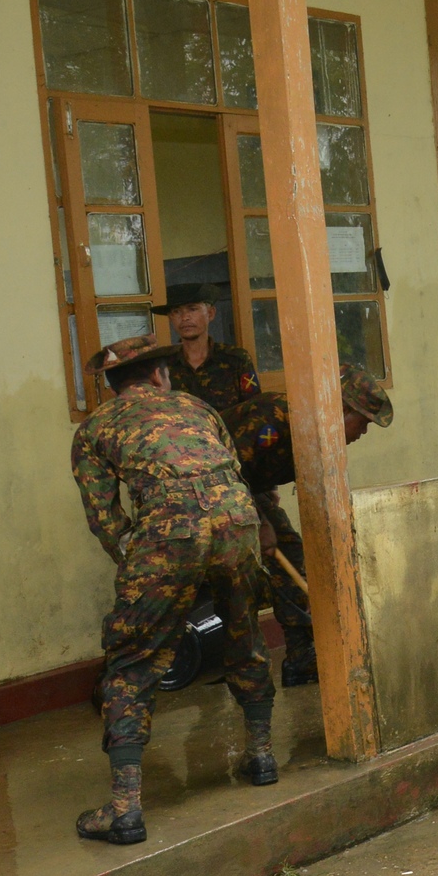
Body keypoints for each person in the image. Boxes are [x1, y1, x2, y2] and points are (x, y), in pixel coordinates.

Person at [70, 333, 278, 846]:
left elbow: (105, 518)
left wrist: (143, 564)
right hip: (238, 522)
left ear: (112, 385)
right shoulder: (197, 407)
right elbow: (233, 475)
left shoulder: (94, 428)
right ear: (161, 375)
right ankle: (262, 757)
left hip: (168, 531)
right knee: (244, 632)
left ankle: (125, 810)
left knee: (131, 660)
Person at [222, 370, 394, 686]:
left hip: (245, 490)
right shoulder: (275, 417)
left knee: (289, 551)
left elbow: (262, 467)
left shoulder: (317, 434)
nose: (363, 432)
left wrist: (267, 491)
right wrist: (259, 522)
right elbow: (227, 473)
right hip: (202, 493)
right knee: (233, 572)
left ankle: (301, 658)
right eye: (363, 422)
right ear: (342, 410)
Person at [156, 284, 261, 412]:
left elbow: (254, 408)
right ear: (170, 318)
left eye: (192, 309)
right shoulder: (161, 365)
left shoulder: (236, 359)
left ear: (210, 314)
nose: (184, 317)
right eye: (177, 311)